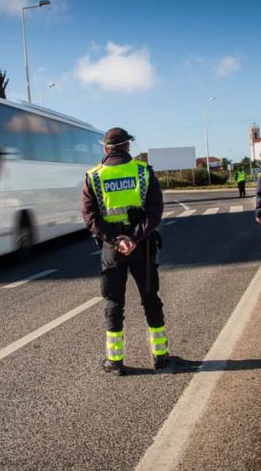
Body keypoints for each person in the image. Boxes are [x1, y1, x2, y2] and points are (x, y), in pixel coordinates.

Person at [81, 127, 169, 376]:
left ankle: (115, 361)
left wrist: (115, 240)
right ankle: (160, 356)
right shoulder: (143, 171)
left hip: (112, 250)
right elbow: (155, 213)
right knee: (150, 298)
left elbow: (89, 217)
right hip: (143, 246)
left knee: (113, 302)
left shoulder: (94, 176)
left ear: (105, 147)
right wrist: (133, 238)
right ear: (128, 146)